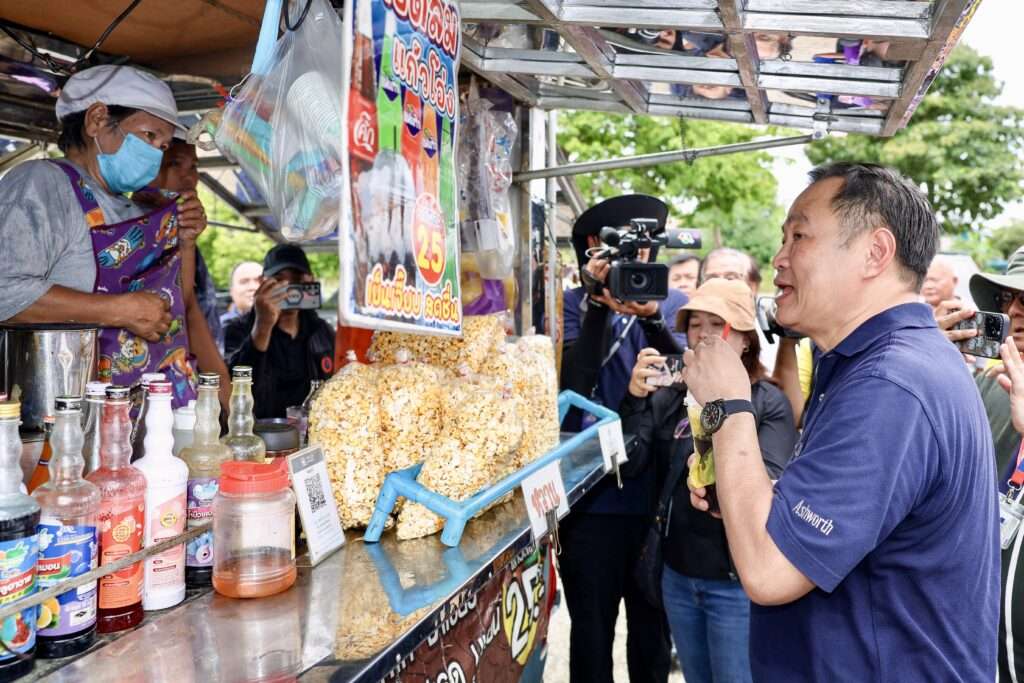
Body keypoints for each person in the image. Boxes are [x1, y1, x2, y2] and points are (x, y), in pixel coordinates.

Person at [682, 162, 998, 680]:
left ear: (875, 252)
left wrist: (728, 405)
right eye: (782, 238)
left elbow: (769, 571)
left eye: (799, 236)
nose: (779, 258)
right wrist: (751, 494)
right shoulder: (872, 363)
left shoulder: (890, 384)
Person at [621, 279, 797, 683]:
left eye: (717, 324)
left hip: (734, 586)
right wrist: (634, 400)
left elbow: (768, 485)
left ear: (746, 340)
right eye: (695, 324)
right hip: (677, 577)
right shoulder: (674, 395)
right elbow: (632, 465)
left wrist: (723, 414)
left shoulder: (768, 402)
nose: (703, 334)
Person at [0, 64, 207, 406]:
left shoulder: (138, 209)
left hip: (137, 414)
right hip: (59, 410)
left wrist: (185, 240)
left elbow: (174, 306)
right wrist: (116, 310)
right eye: (149, 136)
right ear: (97, 120)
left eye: (163, 145)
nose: (156, 153)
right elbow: (5, 290)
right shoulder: (42, 183)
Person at [559, 194, 683, 683]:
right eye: (625, 249)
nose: (637, 260)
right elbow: (573, 384)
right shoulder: (568, 305)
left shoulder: (674, 304)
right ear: (594, 252)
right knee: (591, 633)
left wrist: (652, 317)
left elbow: (688, 380)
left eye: (645, 248)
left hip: (655, 496)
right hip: (591, 498)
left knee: (653, 635)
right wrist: (596, 306)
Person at [135, 138, 231, 405]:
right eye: (175, 164)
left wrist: (227, 396)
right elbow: (186, 311)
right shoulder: (136, 229)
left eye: (194, 166)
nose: (188, 176)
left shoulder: (181, 231)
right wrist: (227, 396)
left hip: (182, 379)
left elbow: (190, 309)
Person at [224, 244, 334, 419]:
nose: (289, 287)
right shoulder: (237, 330)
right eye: (279, 280)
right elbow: (232, 386)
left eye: (297, 279)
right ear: (263, 284)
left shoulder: (322, 331)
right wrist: (262, 326)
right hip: (258, 430)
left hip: (310, 431)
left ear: (310, 281)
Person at [221, 261, 263, 327]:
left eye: (260, 281)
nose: (252, 287)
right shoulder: (216, 328)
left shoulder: (280, 325)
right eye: (244, 282)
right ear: (231, 291)